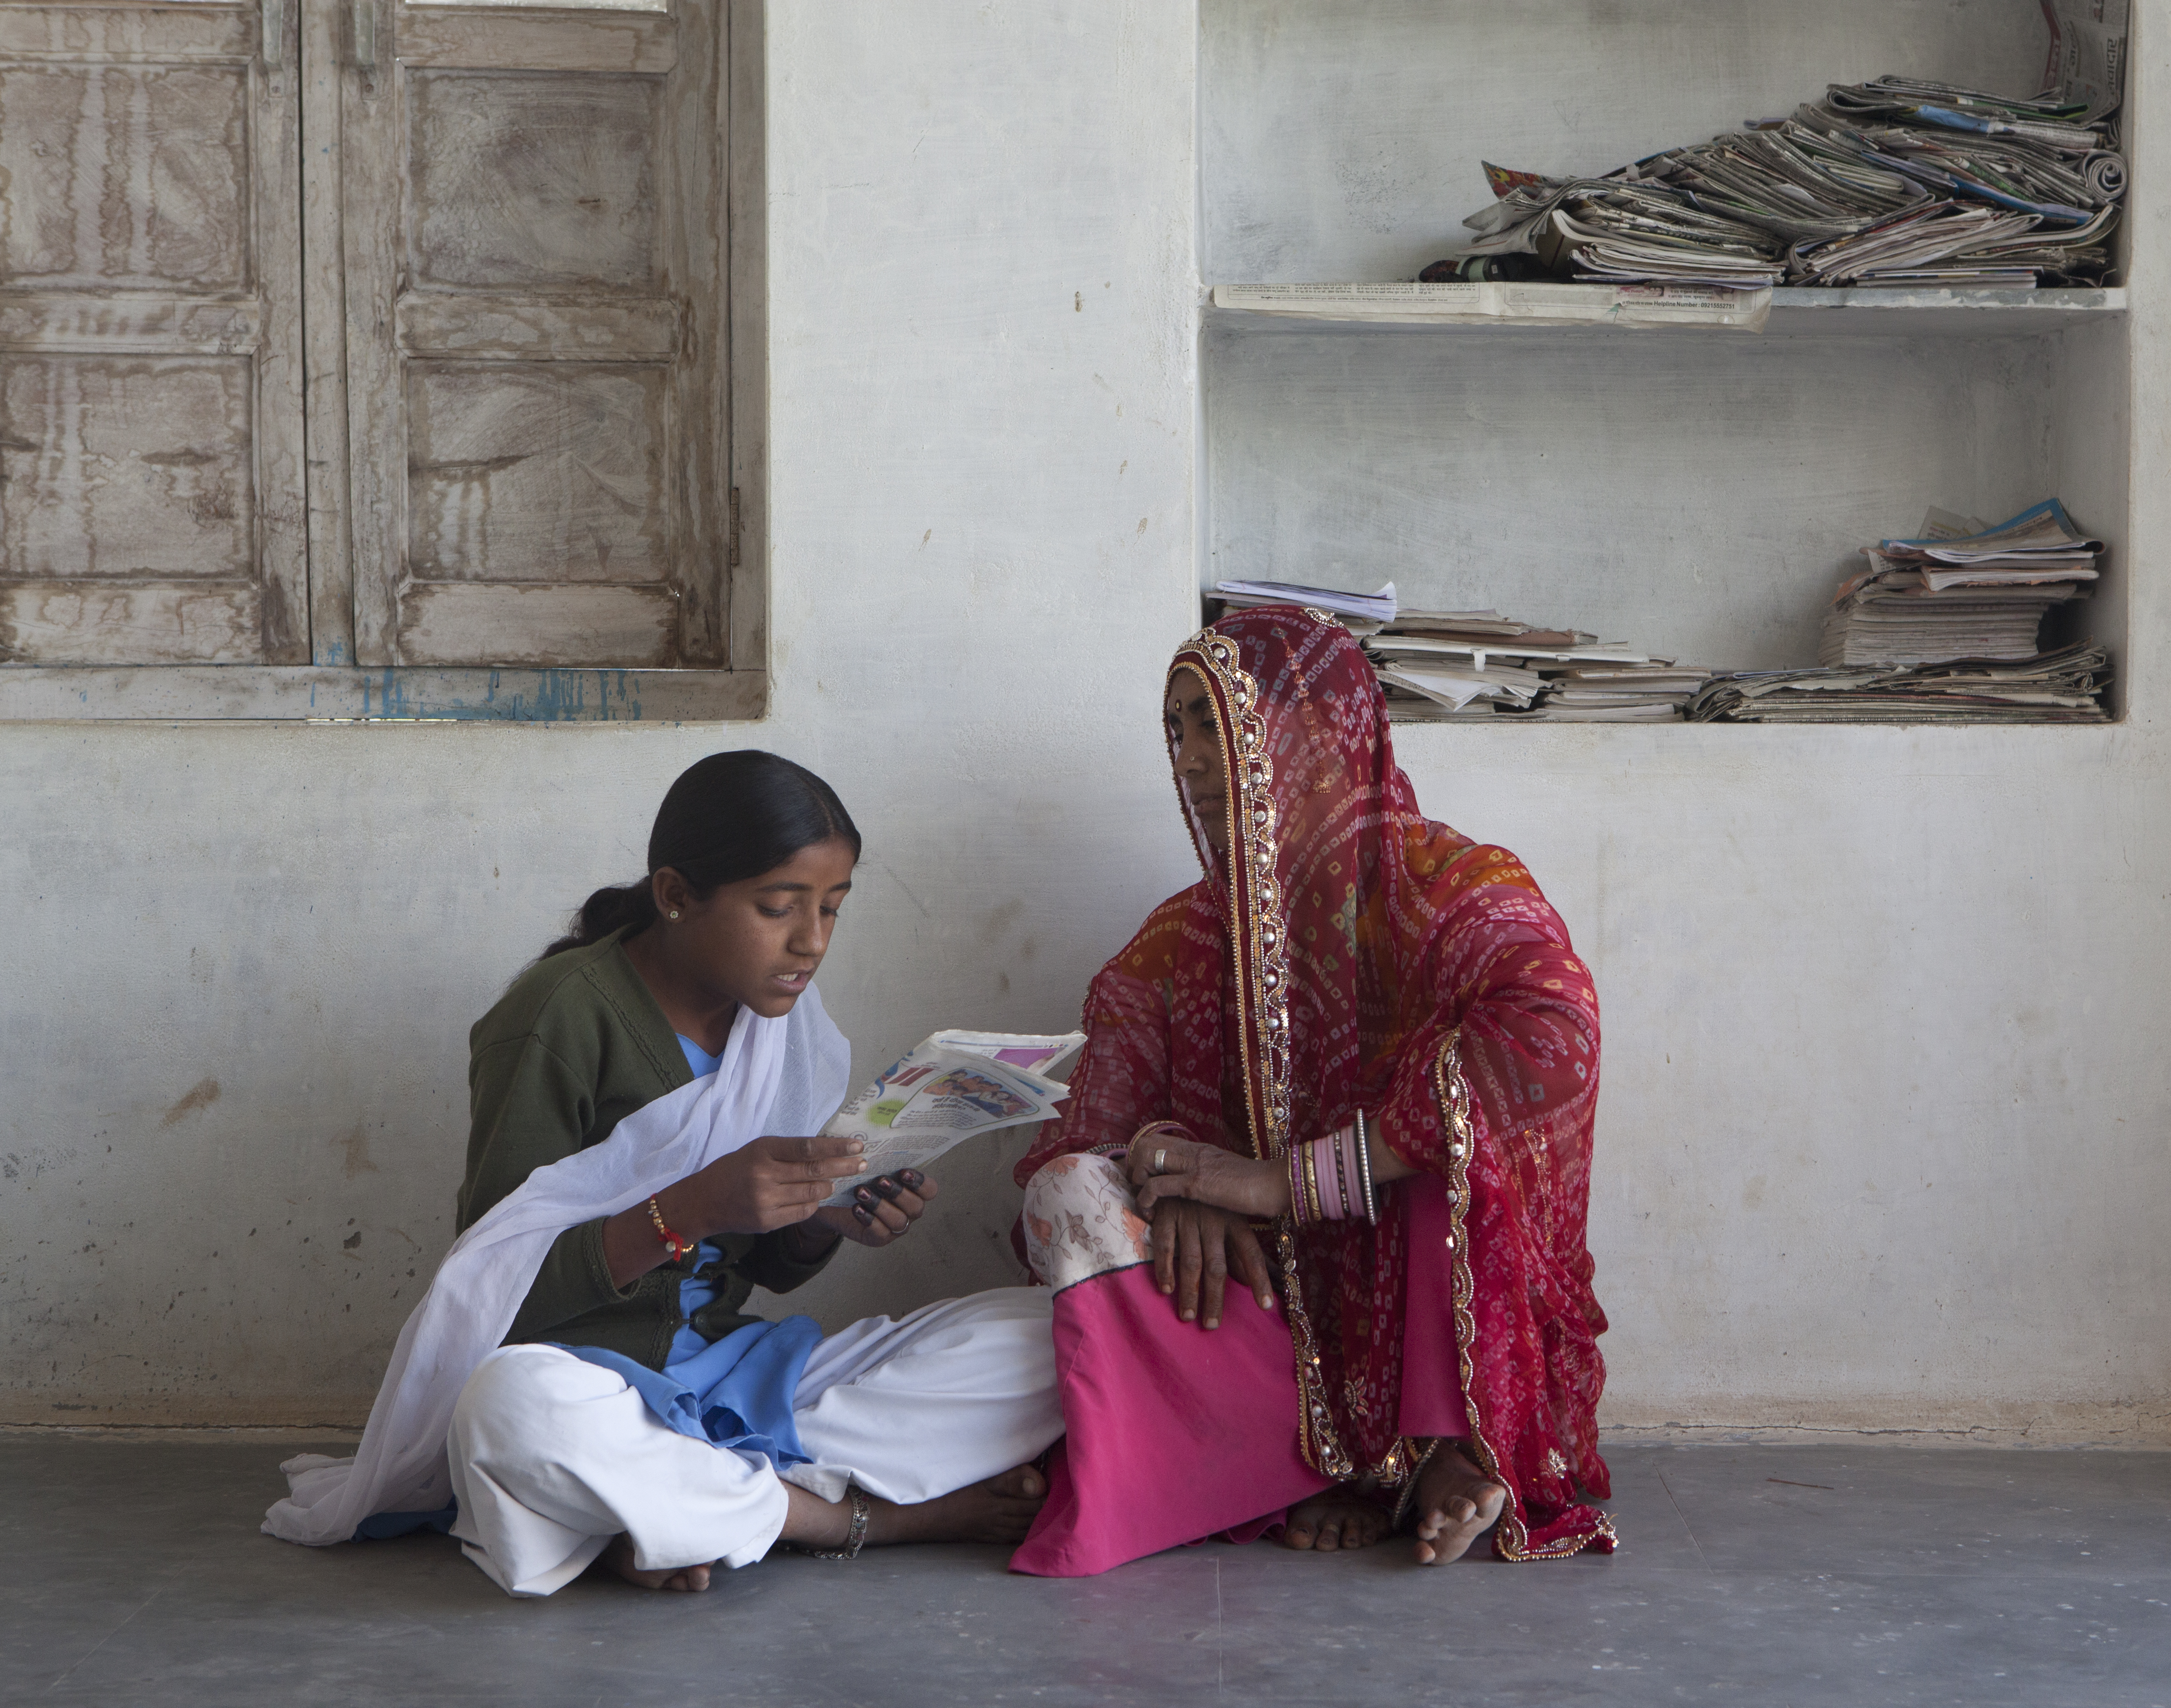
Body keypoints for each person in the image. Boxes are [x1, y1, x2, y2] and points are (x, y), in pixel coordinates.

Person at [265, 751, 1062, 1595]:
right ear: (677, 896)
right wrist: (687, 1207)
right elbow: (492, 1292)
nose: (812, 943)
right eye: (778, 908)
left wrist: (816, 1220)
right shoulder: (557, 1018)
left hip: (732, 1378)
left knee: (1054, 1330)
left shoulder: (782, 1023)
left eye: (832, 909)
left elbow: (753, 1267)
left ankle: (653, 1505)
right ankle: (846, 1517)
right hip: (589, 1382)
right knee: (512, 1413)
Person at [1009, 609, 1614, 1576]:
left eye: (1219, 726)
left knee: (1452, 1107)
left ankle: (1447, 1449)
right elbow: (1078, 1141)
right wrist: (1168, 1170)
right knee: (1067, 1192)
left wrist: (1285, 1183)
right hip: (1256, 1311)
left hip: (1410, 1301)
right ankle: (1282, 1468)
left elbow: (1553, 1040)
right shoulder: (1177, 945)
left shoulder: (1450, 890)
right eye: (1179, 731)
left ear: (1320, 735)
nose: (1195, 764)